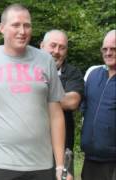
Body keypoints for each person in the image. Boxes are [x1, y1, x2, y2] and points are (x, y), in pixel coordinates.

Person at [0, 4, 66, 180]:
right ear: (1, 28)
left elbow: (56, 115)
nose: (22, 31)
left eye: (27, 25)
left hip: (41, 164)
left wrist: (60, 166)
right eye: (16, 25)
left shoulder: (45, 61)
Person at [40, 29, 84, 179]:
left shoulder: (73, 73)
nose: (57, 51)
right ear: (42, 46)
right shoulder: (28, 70)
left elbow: (72, 101)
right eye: (53, 45)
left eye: (62, 47)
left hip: (63, 151)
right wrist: (59, 98)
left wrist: (35, 97)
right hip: (32, 150)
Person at [81, 29, 116, 180]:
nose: (108, 53)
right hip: (90, 158)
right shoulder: (92, 74)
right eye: (105, 49)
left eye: (113, 49)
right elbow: (84, 108)